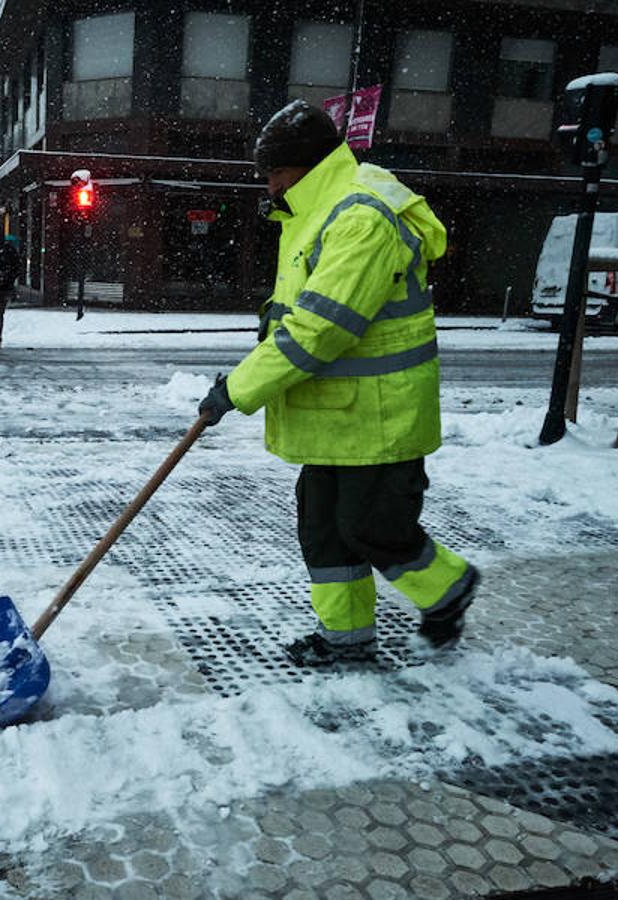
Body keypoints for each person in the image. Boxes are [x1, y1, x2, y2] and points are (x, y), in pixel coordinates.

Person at [197, 99, 479, 666]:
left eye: (275, 172)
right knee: (323, 529)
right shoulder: (312, 210)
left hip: (380, 416)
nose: (270, 185)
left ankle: (448, 588)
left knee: (372, 526)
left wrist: (237, 390)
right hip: (333, 414)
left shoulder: (361, 216)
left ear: (306, 164)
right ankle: (346, 640)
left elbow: (317, 331)